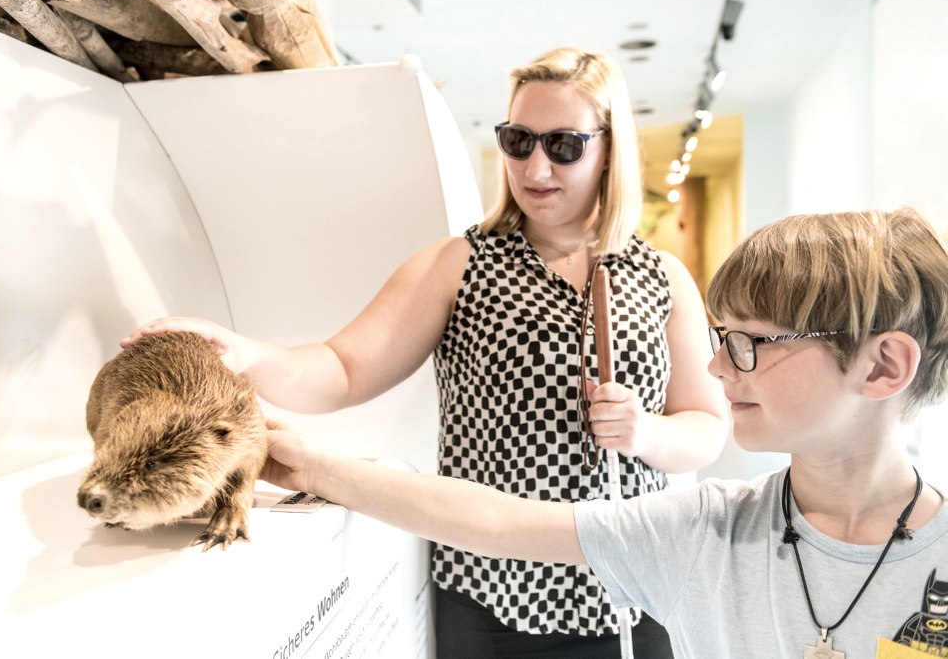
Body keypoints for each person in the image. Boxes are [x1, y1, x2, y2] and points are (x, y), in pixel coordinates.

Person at [123, 47, 728, 657]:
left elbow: (705, 425)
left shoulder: (661, 275)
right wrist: (244, 353)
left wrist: (644, 433)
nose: (536, 167)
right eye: (519, 141)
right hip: (493, 596)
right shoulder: (460, 265)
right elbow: (342, 368)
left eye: (563, 146)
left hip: (631, 595)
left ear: (608, 150)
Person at [261, 207, 948, 658]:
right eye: (721, 337)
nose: (715, 364)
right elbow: (500, 524)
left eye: (752, 342)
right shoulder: (709, 533)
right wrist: (316, 466)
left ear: (884, 365)